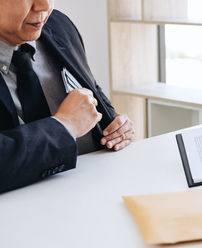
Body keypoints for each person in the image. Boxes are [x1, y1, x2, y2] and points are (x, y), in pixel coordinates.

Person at [0, 0, 135, 193]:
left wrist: (116, 126)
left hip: (100, 189)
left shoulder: (59, 25)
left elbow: (92, 88)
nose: (45, 6)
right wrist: (63, 126)